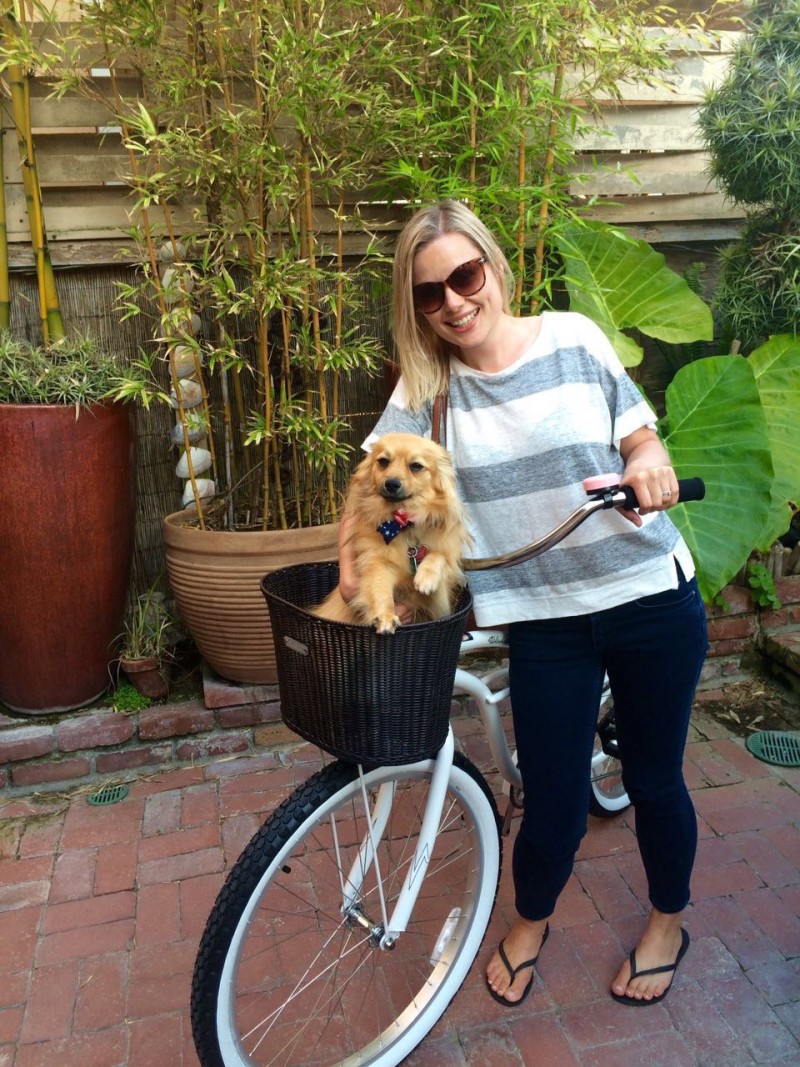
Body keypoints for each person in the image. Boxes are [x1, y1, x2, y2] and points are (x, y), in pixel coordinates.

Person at [336, 199, 708, 1007]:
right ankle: (532, 917)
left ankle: (668, 921)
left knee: (655, 779)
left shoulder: (574, 338)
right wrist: (354, 574)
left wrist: (649, 464)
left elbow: (640, 436)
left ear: (495, 269)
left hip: (648, 596)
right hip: (543, 620)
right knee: (552, 799)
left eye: (465, 276)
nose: (455, 303)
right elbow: (371, 489)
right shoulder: (428, 386)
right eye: (431, 293)